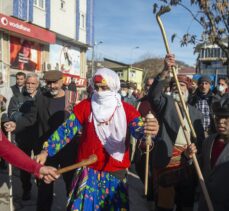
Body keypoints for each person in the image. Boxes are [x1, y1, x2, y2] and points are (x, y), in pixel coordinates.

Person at [35, 68, 159, 211]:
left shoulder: (127, 110)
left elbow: (140, 132)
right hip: (87, 171)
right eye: (97, 87)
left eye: (104, 88)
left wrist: (149, 130)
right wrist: (46, 151)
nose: (100, 92)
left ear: (113, 87)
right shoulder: (85, 106)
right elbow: (66, 131)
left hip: (115, 173)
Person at [4, 70, 78, 211]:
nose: (51, 86)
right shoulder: (41, 97)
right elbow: (31, 118)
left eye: (54, 83)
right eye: (48, 83)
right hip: (46, 149)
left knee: (71, 184)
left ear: (62, 81)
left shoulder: (72, 97)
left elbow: (79, 120)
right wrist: (16, 125)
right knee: (44, 186)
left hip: (68, 148)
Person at [148, 54, 205, 211]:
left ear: (187, 90)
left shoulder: (195, 114)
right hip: (167, 160)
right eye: (174, 86)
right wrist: (165, 71)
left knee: (185, 204)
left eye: (182, 85)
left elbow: (200, 141)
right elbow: (152, 96)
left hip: (187, 162)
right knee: (165, 205)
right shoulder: (166, 104)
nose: (178, 88)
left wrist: (194, 150)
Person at [8, 73, 40, 200]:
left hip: (39, 137)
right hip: (23, 136)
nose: (30, 86)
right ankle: (26, 189)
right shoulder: (17, 98)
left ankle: (42, 187)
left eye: (33, 83)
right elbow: (12, 113)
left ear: (38, 84)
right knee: (24, 166)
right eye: (28, 83)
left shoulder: (42, 98)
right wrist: (27, 118)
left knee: (39, 164)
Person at [197, 95, 229, 211]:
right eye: (218, 117)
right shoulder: (208, 141)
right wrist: (189, 156)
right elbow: (200, 167)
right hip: (205, 203)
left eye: (226, 117)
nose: (221, 121)